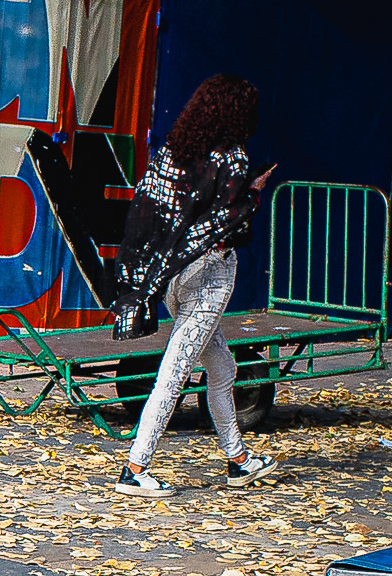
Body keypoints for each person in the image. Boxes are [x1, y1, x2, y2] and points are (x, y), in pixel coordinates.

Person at [108, 74, 277, 498]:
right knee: (176, 370)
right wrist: (253, 194)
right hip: (211, 275)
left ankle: (239, 461)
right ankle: (135, 467)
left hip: (171, 275)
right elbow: (229, 221)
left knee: (222, 367)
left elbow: (151, 210)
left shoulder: (172, 151)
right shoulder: (233, 158)